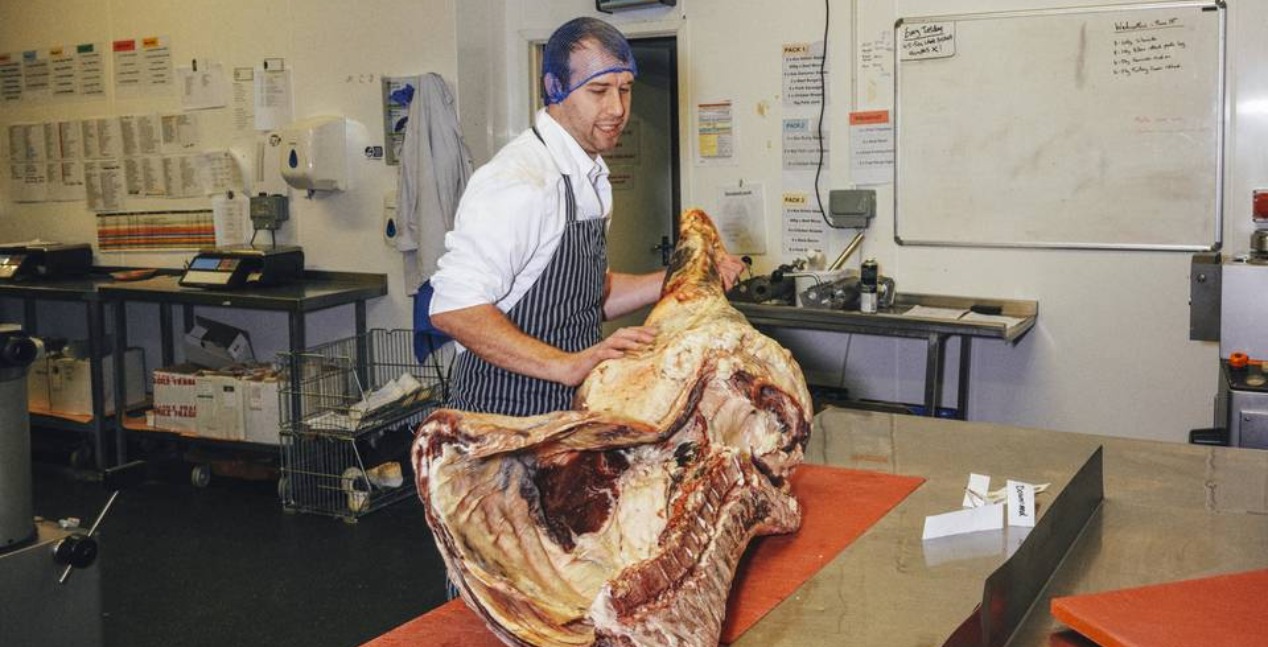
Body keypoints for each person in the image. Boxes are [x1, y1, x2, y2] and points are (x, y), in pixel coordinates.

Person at [428, 17, 743, 418]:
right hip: (503, 421)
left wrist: (690, 275)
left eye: (625, 89)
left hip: (566, 415)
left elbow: (585, 294)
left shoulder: (588, 178)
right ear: (555, 88)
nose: (617, 109)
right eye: (598, 91)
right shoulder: (521, 180)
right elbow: (454, 308)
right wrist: (566, 365)